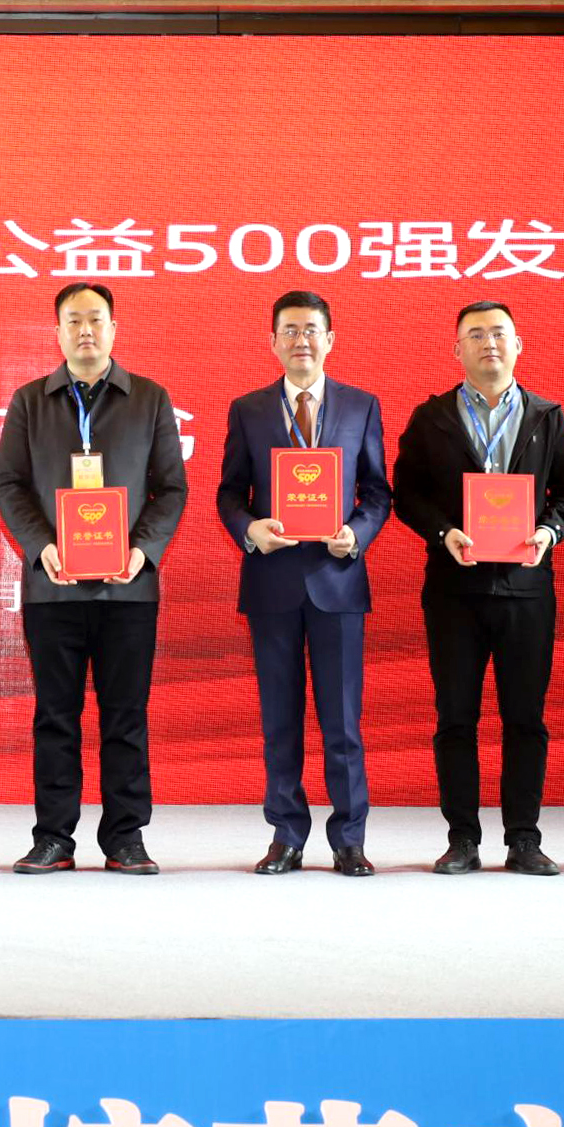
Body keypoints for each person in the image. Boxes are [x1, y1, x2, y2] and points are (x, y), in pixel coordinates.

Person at [0, 282, 188, 875]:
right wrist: (41, 546)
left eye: (96, 319)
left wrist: (143, 550)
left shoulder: (149, 398)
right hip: (52, 588)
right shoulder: (30, 401)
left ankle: (126, 837)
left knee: (126, 715)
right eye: (73, 320)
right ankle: (54, 836)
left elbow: (171, 488)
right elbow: (8, 485)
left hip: (128, 589)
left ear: (113, 328)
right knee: (56, 715)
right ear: (57, 332)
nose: (85, 330)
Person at [392, 300, 564, 876]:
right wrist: (443, 531)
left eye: (499, 333)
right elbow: (407, 493)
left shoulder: (547, 416)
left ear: (518, 344)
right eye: (475, 335)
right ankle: (463, 839)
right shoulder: (432, 418)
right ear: (457, 350)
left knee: (526, 718)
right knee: (456, 717)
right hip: (455, 591)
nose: (488, 343)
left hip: (527, 591)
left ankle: (524, 838)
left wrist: (550, 531)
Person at [216, 290, 391, 876]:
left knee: (343, 723)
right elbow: (229, 492)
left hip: (338, 581)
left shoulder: (361, 406)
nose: (301, 340)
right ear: (272, 342)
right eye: (289, 330)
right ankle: (286, 836)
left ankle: (349, 839)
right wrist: (250, 529)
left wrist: (356, 534)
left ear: (330, 339)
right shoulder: (249, 409)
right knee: (280, 721)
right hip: (272, 582)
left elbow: (377, 492)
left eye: (311, 329)